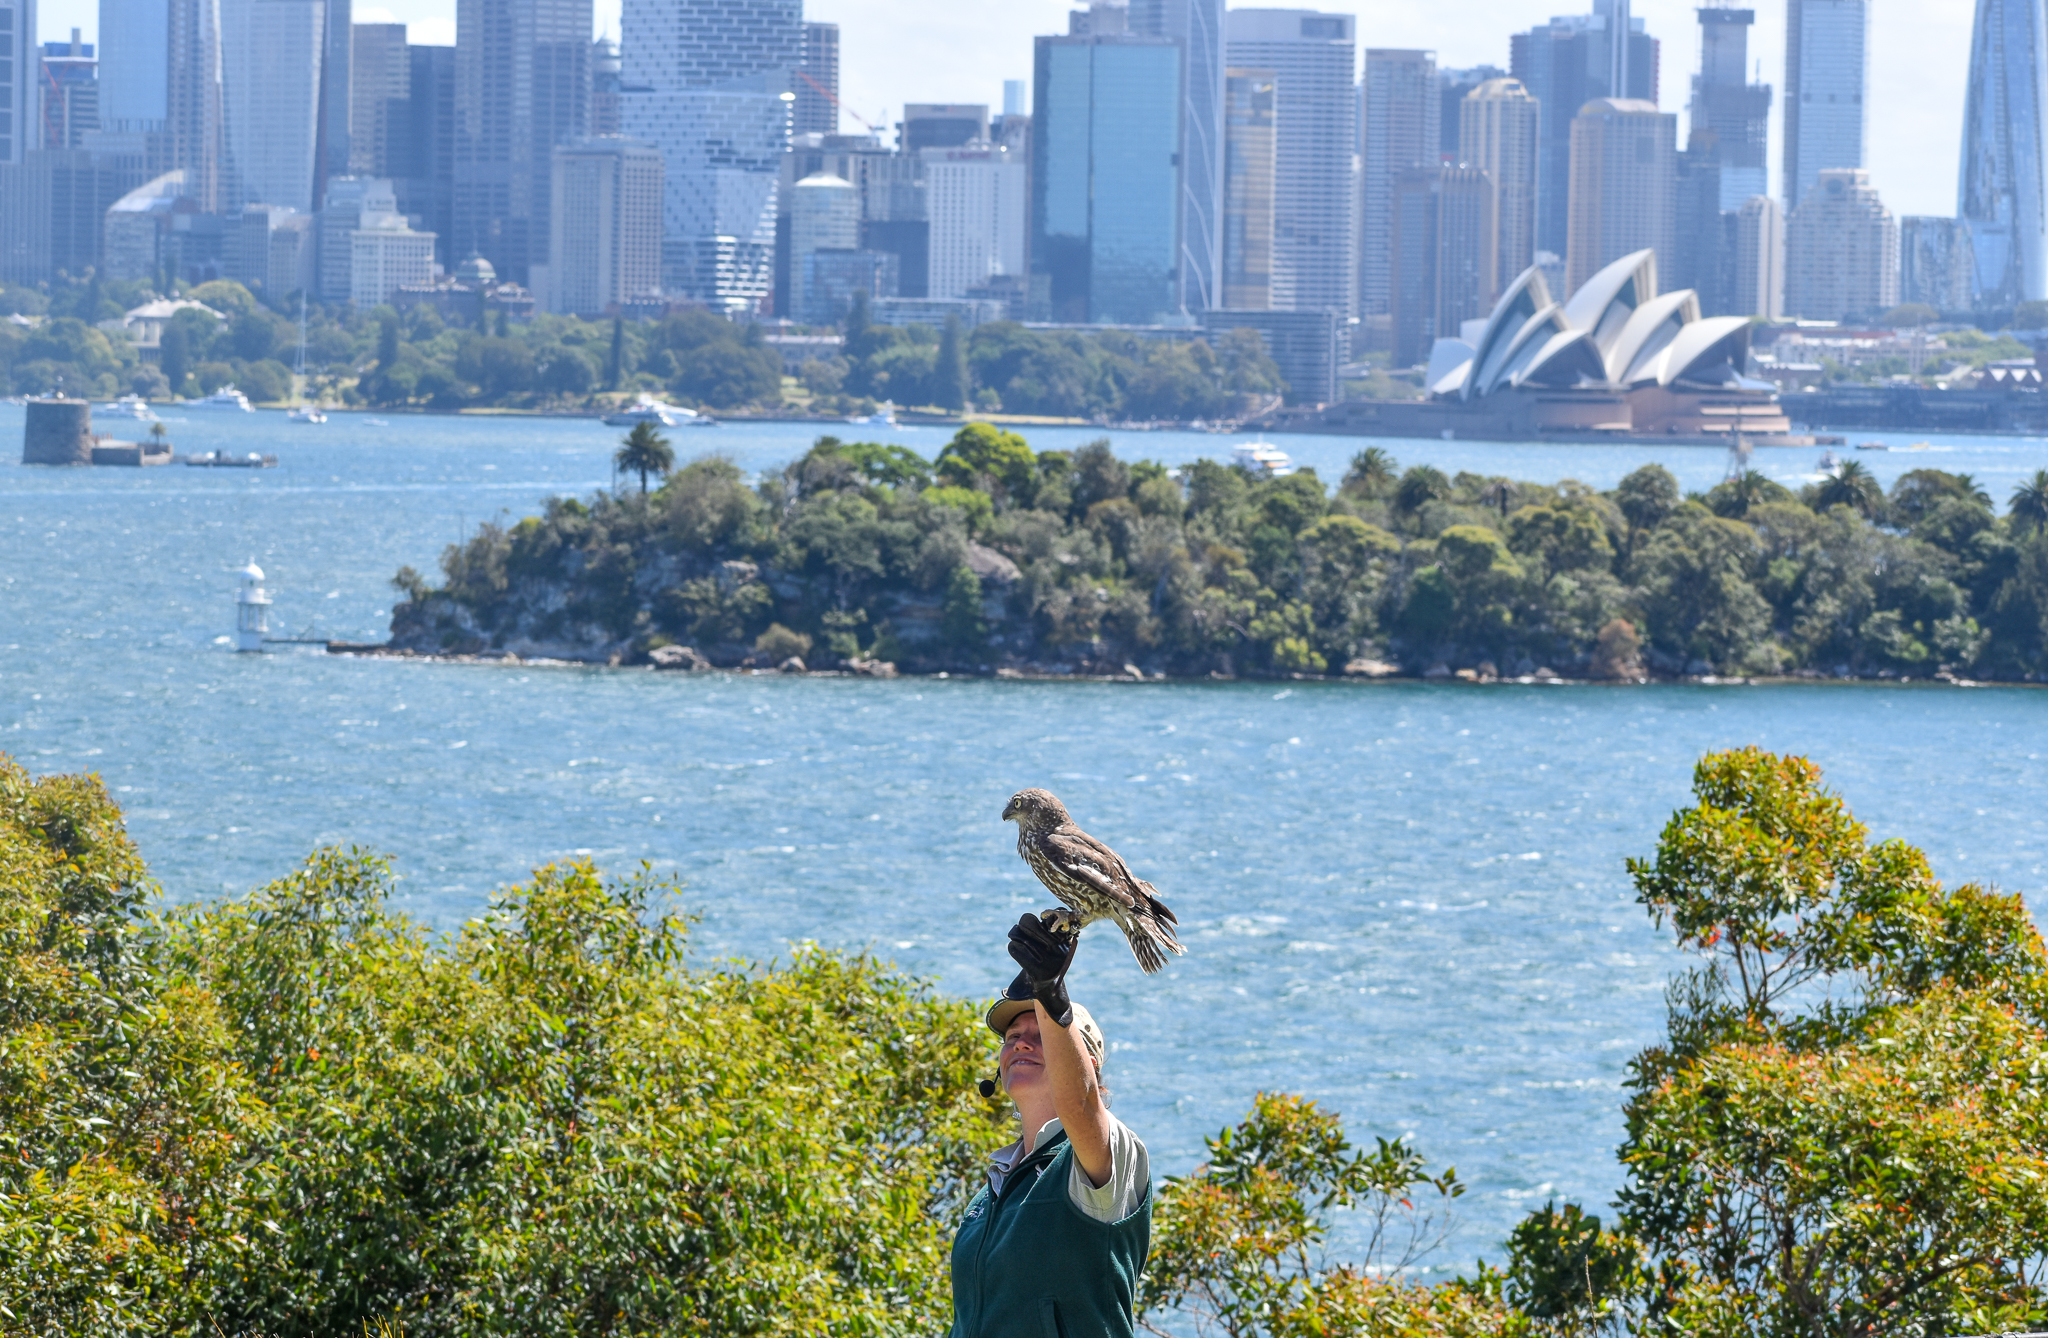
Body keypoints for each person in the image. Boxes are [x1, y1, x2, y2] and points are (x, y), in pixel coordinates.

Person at [949, 914, 1152, 1338]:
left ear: (1088, 1063)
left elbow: (1079, 1105)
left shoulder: (1109, 1152)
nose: (1021, 1041)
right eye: (1011, 1037)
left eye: (1039, 1032)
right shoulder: (994, 1188)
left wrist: (1052, 999)